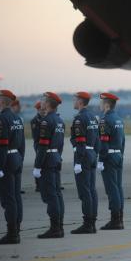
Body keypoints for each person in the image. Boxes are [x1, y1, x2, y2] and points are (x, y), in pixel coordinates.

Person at [0, 90, 25, 245]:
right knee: (16, 196)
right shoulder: (17, 118)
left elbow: (1, 145)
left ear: (2, 102)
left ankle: (12, 234)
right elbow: (22, 143)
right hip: (17, 157)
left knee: (8, 199)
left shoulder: (1, 120)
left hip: (6, 160)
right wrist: (20, 159)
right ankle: (16, 229)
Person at [33, 92, 65, 238]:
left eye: (43, 101)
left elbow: (42, 146)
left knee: (51, 195)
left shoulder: (46, 121)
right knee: (57, 193)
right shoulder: (59, 121)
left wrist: (37, 166)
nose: (42, 103)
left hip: (47, 159)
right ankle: (59, 225)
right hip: (56, 157)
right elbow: (61, 144)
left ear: (48, 103)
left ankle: (55, 228)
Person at [70, 92, 100, 234]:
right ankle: (92, 222)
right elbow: (98, 140)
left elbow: (80, 141)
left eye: (75, 99)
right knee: (91, 189)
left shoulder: (80, 118)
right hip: (92, 153)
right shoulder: (93, 117)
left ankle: (87, 223)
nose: (73, 101)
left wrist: (78, 161)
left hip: (83, 154)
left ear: (80, 101)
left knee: (85, 191)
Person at [98, 93, 125, 229]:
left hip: (108, 157)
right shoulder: (118, 119)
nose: (100, 104)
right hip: (118, 155)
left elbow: (103, 143)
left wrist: (101, 159)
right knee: (118, 187)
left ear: (107, 104)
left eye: (102, 102)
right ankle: (120, 218)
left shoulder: (105, 120)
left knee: (112, 188)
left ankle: (115, 220)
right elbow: (122, 140)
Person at [31, 101, 45, 192]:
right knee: (39, 163)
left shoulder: (46, 119)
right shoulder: (35, 121)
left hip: (45, 144)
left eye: (44, 109)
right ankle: (38, 185)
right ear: (38, 109)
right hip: (39, 144)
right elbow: (35, 136)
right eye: (41, 109)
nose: (43, 111)